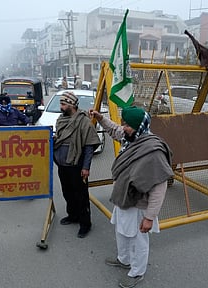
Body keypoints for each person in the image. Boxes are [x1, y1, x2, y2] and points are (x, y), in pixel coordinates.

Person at [90, 106, 174, 288]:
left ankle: (137, 272)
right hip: (123, 198)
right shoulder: (132, 138)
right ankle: (123, 259)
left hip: (140, 204)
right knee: (122, 231)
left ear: (139, 125)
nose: (123, 127)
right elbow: (114, 130)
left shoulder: (153, 151)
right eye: (124, 123)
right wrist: (100, 118)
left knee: (138, 240)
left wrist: (150, 217)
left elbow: (160, 187)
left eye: (127, 125)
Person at [53, 91, 101, 238]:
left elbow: (88, 147)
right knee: (67, 193)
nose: (61, 106)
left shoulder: (84, 122)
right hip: (62, 165)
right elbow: (59, 138)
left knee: (81, 196)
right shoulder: (61, 119)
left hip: (77, 165)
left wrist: (86, 167)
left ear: (71, 105)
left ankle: (85, 224)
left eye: (63, 104)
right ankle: (72, 216)